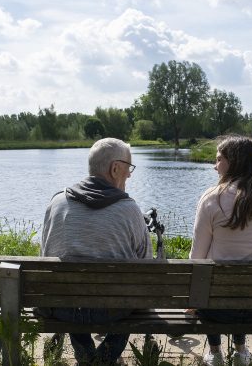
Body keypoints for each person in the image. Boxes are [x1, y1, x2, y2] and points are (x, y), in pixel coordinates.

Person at [40, 137, 152, 366]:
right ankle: (103, 359)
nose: (130, 174)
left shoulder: (57, 203)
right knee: (132, 299)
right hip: (113, 310)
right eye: (129, 168)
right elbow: (146, 266)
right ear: (115, 168)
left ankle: (85, 357)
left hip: (63, 308)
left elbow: (45, 254)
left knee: (71, 295)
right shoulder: (129, 209)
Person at [189, 135, 252, 366]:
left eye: (219, 160)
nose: (215, 166)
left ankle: (215, 352)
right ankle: (241, 351)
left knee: (207, 277)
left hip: (217, 309)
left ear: (234, 162)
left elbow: (196, 259)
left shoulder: (211, 199)